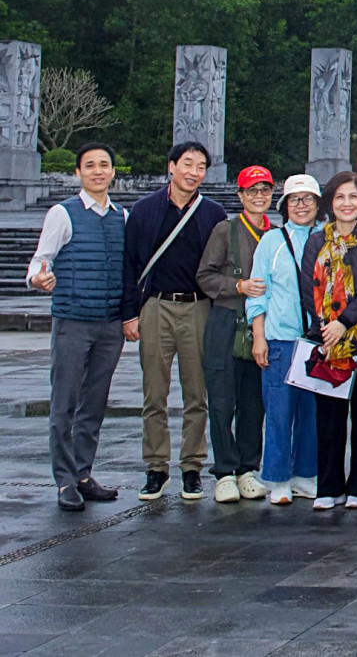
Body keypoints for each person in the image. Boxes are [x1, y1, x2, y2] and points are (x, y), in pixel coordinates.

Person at [122, 140, 227, 503]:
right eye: (187, 164)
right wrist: (130, 313)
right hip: (156, 306)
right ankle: (155, 467)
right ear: (171, 166)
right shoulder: (145, 210)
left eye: (200, 167)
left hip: (198, 307)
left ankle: (192, 467)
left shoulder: (212, 213)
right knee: (155, 392)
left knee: (197, 392)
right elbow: (130, 265)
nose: (193, 172)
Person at [30, 142, 131, 511]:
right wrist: (38, 280)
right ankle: (65, 481)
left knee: (94, 403)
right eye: (90, 165)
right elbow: (41, 260)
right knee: (65, 401)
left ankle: (84, 474)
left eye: (104, 164)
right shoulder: (63, 213)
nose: (98, 171)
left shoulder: (122, 216)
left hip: (109, 325)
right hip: (73, 320)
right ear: (78, 173)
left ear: (113, 172)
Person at [301, 172, 357, 510]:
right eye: (340, 197)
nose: (347, 204)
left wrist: (344, 322)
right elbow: (308, 287)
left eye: (353, 197)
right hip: (327, 342)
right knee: (329, 416)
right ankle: (329, 486)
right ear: (330, 203)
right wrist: (327, 326)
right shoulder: (316, 241)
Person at [195, 164, 274, 504]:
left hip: (262, 326)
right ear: (240, 195)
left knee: (253, 403)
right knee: (223, 400)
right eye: (252, 190)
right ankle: (224, 472)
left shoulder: (277, 233)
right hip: (227, 320)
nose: (259, 196)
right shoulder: (225, 230)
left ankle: (246, 467)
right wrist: (237, 285)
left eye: (265, 190)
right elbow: (204, 275)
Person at [246, 175, 323, 505]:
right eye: (295, 199)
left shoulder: (326, 240)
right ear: (284, 206)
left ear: (318, 205)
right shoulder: (271, 241)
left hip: (318, 341)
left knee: (312, 412)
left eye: (308, 199)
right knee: (278, 411)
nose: (301, 205)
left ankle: (304, 474)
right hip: (280, 339)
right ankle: (276, 477)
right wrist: (258, 337)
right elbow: (257, 294)